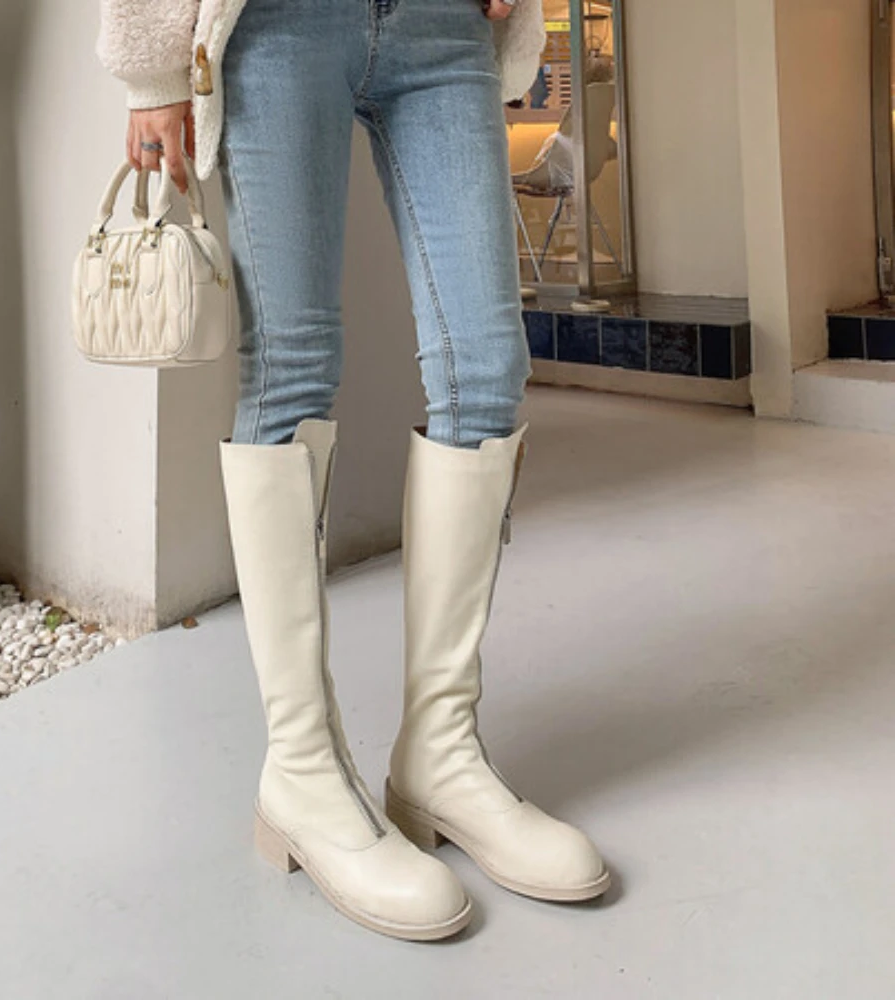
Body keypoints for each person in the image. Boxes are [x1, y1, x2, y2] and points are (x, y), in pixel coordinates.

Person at [97, 0, 609, 942]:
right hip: (278, 23)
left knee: (486, 368)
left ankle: (440, 758)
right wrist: (152, 68)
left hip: (443, 24)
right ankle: (300, 772)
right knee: (289, 369)